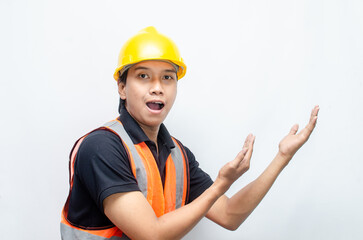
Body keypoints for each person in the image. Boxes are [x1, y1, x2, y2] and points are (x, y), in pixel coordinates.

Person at [60, 26, 319, 240]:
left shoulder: (177, 154)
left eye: (167, 78)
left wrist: (281, 158)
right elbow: (152, 235)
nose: (157, 88)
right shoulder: (102, 147)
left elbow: (229, 215)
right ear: (122, 88)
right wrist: (220, 184)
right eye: (143, 76)